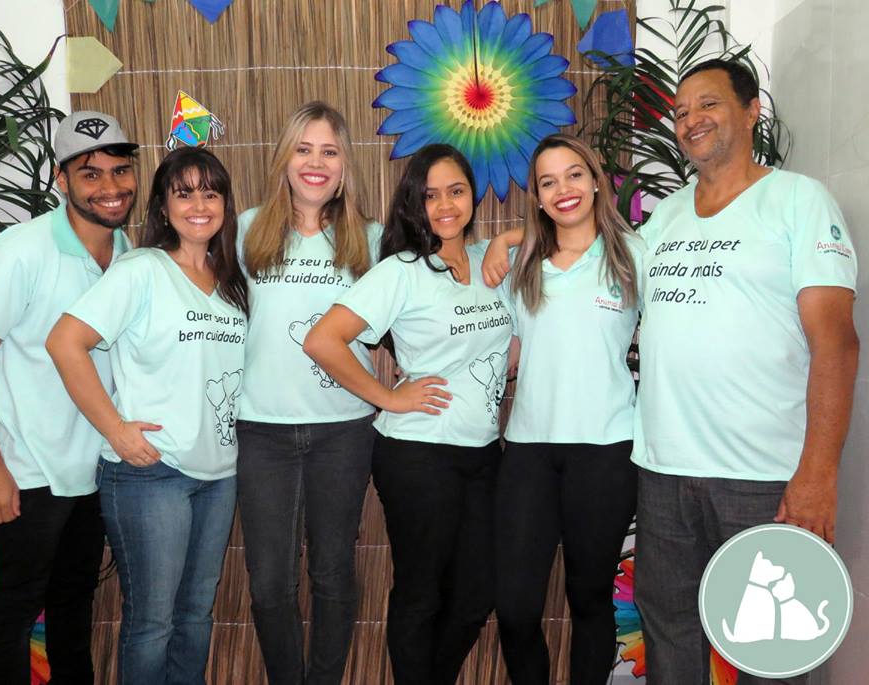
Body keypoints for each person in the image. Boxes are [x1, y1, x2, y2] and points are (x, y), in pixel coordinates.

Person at [631, 59, 858, 684]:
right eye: (681, 112)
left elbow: (837, 345)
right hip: (663, 471)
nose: (691, 121)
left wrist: (818, 474)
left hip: (763, 481)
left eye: (707, 104)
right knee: (669, 633)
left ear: (751, 110)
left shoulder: (799, 201)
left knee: (770, 652)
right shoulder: (665, 216)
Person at [304, 143, 513, 685]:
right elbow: (323, 340)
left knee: (476, 595)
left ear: (473, 195)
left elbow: (565, 235)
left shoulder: (493, 262)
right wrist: (388, 396)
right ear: (415, 204)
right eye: (430, 195)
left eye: (456, 191)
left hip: (483, 453)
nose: (445, 205)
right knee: (421, 595)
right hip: (418, 453)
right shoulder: (403, 270)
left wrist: (509, 239)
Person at [46, 147, 247, 685]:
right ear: (162, 206)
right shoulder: (142, 270)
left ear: (226, 205)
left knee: (196, 614)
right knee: (153, 622)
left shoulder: (232, 282)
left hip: (218, 474)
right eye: (184, 194)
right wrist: (114, 429)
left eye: (211, 193)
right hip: (151, 472)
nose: (199, 205)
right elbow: (65, 342)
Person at [0, 110, 138, 684]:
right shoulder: (23, 250)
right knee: (14, 607)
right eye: (90, 174)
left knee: (74, 605)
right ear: (62, 180)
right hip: (29, 470)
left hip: (96, 467)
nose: (109, 187)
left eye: (120, 170)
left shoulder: (129, 251)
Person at [481, 133, 641, 684]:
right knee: (515, 607)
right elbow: (509, 353)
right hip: (529, 452)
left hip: (607, 451)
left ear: (595, 180)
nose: (563, 189)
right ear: (538, 197)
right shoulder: (523, 264)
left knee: (589, 598)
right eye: (548, 182)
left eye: (574, 174)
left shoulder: (634, 257)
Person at [235, 101, 382, 685]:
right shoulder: (244, 230)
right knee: (270, 582)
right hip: (261, 431)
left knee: (332, 573)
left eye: (329, 151)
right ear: (284, 159)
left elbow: (447, 261)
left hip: (342, 431)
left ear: (345, 166)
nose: (316, 162)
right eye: (304, 149)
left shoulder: (370, 240)